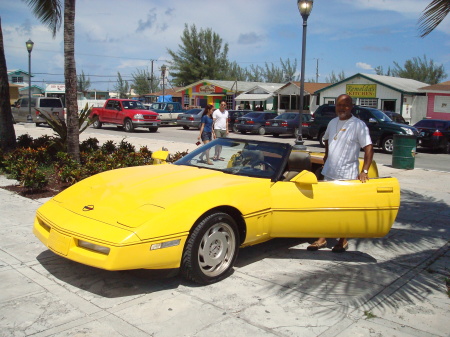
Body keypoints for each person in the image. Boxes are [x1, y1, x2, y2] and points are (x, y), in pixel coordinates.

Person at [307, 94, 374, 253]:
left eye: (345, 105)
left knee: (344, 209)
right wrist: (326, 157)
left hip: (347, 174)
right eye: (339, 105)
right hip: (329, 172)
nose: (342, 108)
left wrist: (364, 170)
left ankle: (342, 240)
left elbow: (369, 147)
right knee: (326, 207)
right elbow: (328, 140)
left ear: (351, 107)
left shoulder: (359, 125)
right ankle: (322, 239)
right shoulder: (332, 122)